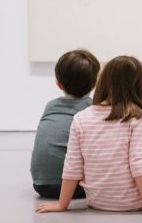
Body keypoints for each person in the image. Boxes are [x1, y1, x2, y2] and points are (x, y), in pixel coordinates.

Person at [35, 55, 142, 215]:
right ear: (138, 85)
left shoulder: (81, 118)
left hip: (97, 201)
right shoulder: (137, 117)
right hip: (134, 201)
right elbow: (138, 163)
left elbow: (72, 165)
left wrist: (62, 204)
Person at [30, 49, 100, 199]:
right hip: (73, 188)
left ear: (59, 84)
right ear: (95, 83)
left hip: (40, 185)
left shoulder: (50, 106)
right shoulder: (93, 110)